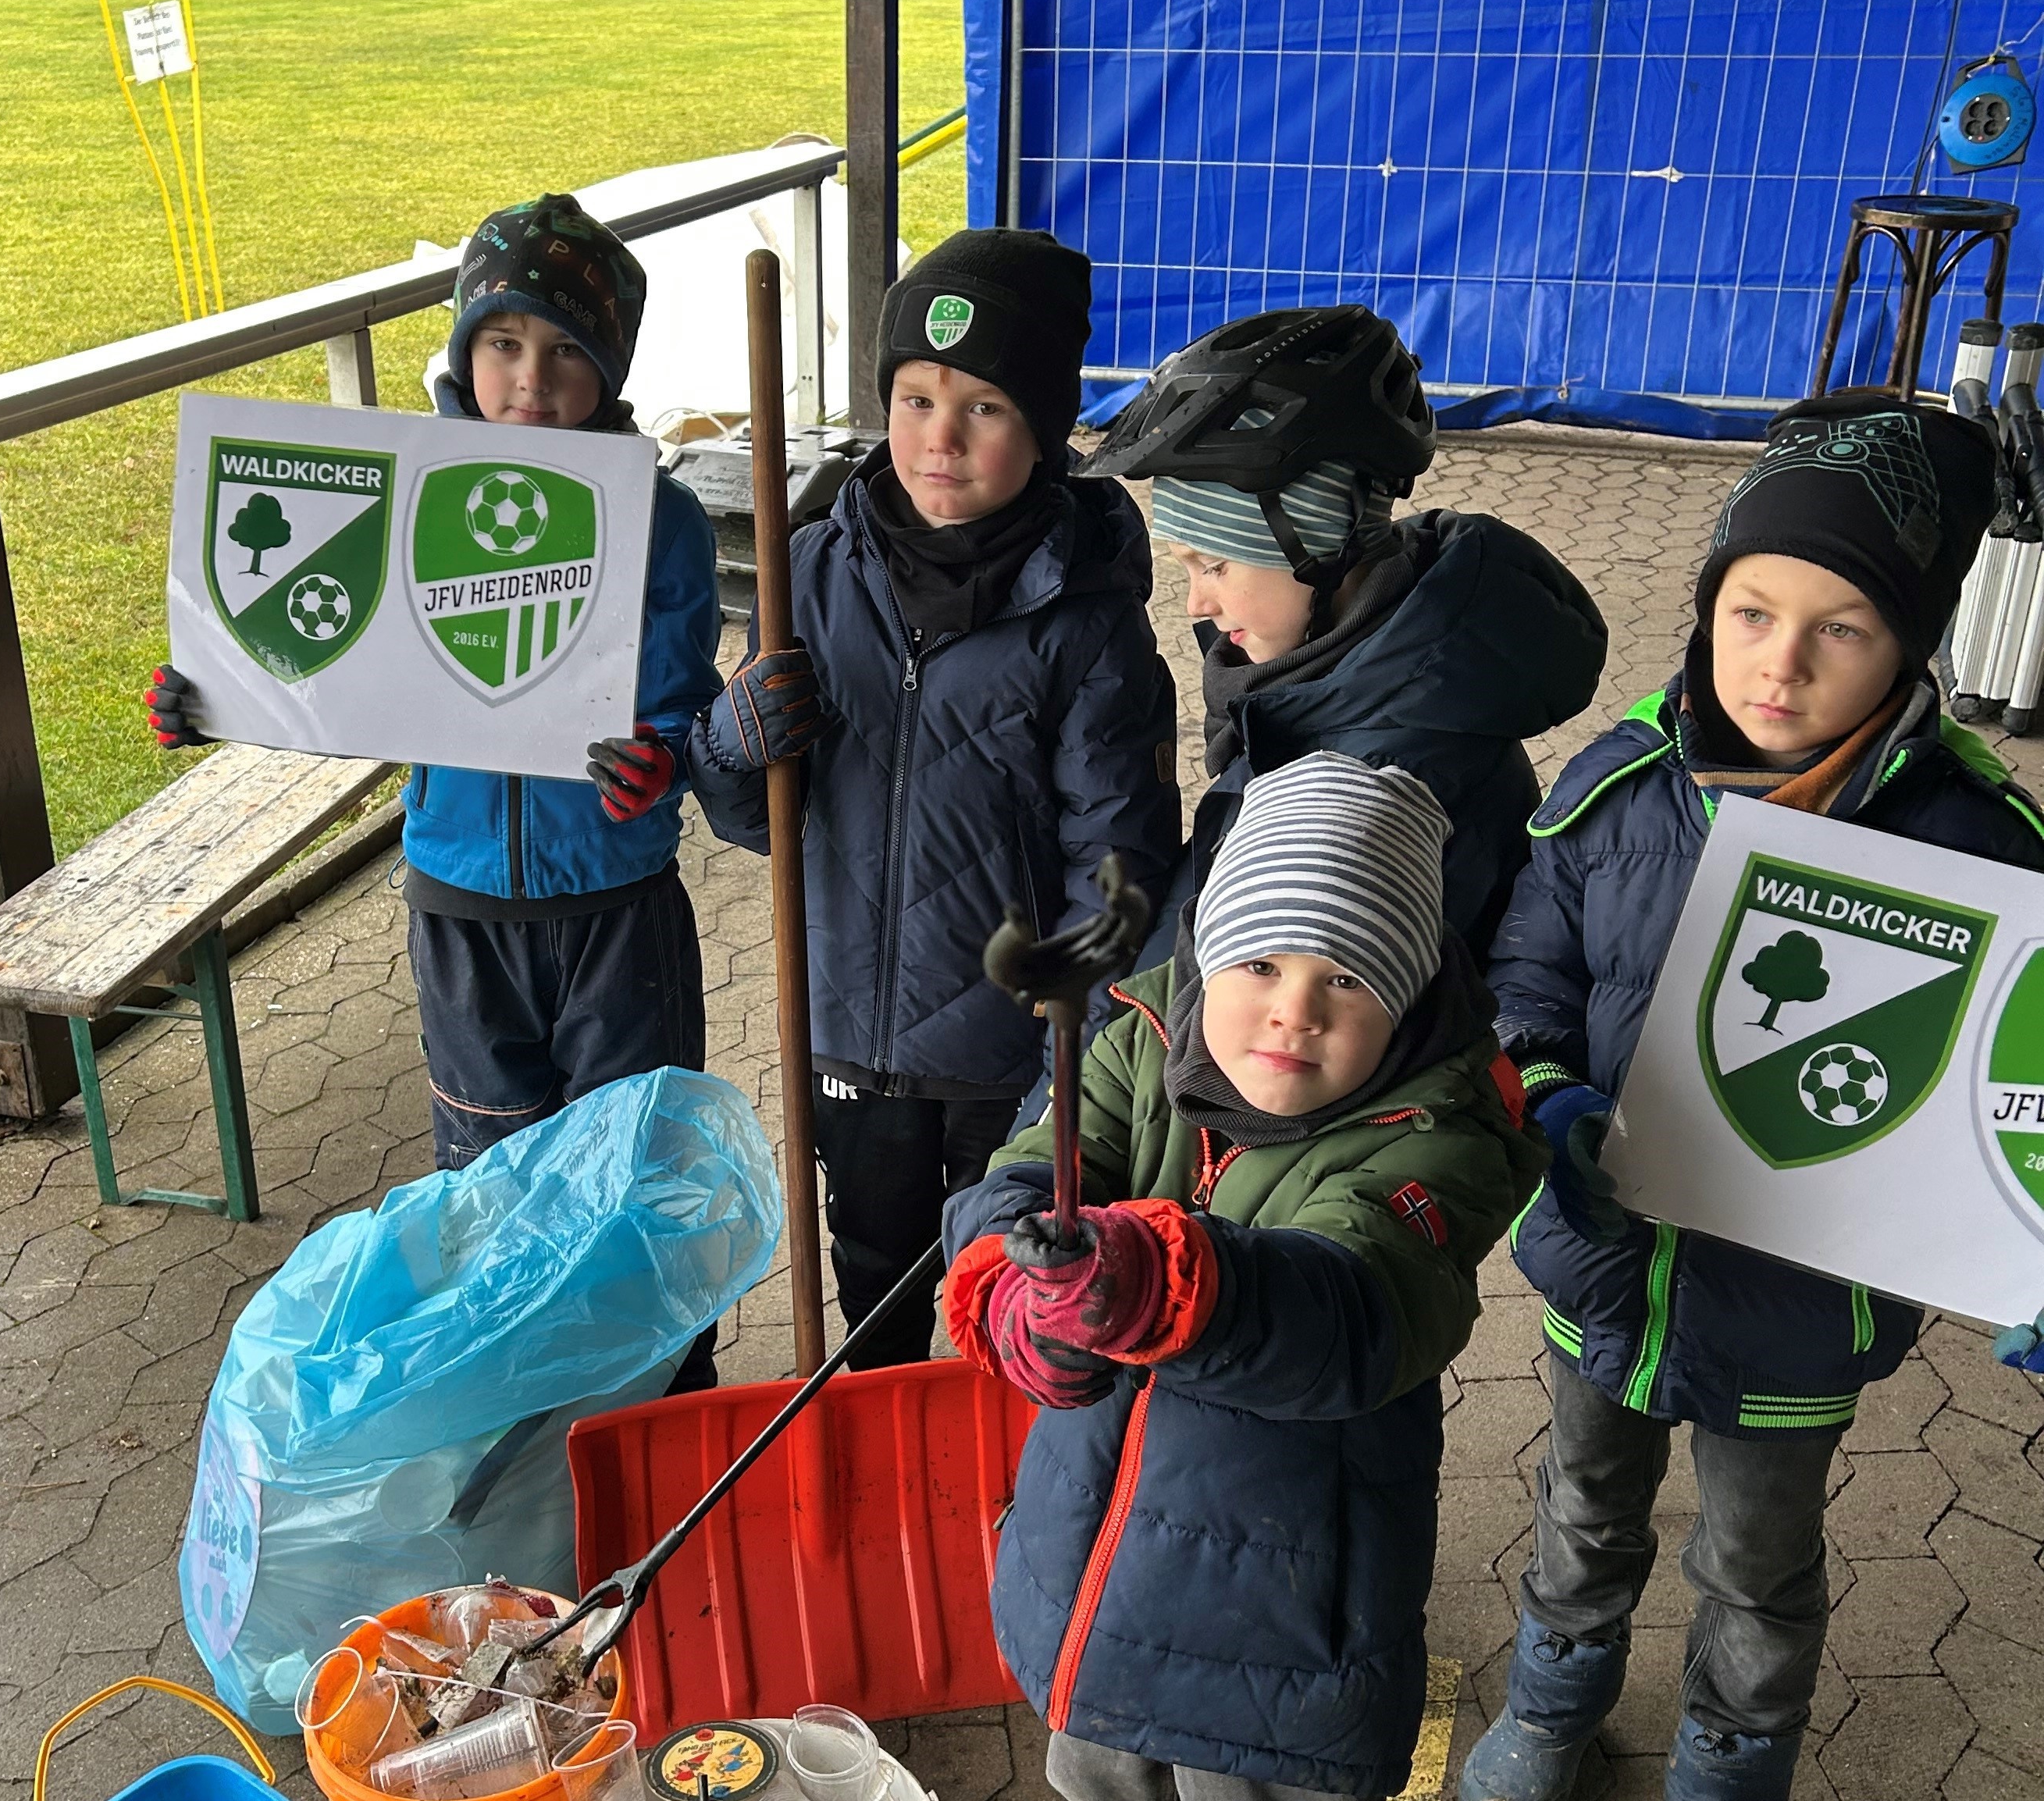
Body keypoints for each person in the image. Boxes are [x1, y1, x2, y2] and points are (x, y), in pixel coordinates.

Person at [940, 752, 1543, 1801]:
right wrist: (1012, 1274)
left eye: (1345, 979)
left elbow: (1349, 1312)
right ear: (1209, 953)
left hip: (1277, 1595)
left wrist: (1160, 1282)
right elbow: (1019, 1172)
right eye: (1264, 962)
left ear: (1402, 1001)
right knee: (1096, 1752)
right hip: (1091, 1542)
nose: (1291, 1011)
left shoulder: (1433, 1142)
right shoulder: (1136, 1031)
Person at [1468, 388, 2044, 1801]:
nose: (1779, 663)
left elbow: (2026, 1085)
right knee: (1581, 1499)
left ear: (1914, 646)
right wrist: (1550, 1093)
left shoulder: (1980, 849)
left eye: (1840, 628)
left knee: (1757, 1559)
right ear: (1708, 600)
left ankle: (1725, 1793)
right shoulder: (1609, 787)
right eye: (1752, 609)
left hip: (1796, 1311)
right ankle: (1558, 1695)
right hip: (1607, 1269)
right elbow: (1528, 962)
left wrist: (2033, 1249)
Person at [148, 195, 724, 1352]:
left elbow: (677, 701)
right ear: (463, 348)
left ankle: (661, 1392)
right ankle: (510, 1411)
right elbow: (341, 658)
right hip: (461, 904)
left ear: (609, 372)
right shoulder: (399, 496)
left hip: (615, 907)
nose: (531, 377)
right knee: (491, 1182)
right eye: (503, 342)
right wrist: (215, 692)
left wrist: (657, 761)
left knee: (633, 1172)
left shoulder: (657, 520)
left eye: (568, 352)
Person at [684, 228, 1180, 1369]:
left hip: (1013, 1060)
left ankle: (1021, 1506)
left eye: (984, 407)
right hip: (849, 1037)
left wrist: (1082, 1051)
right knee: (875, 1297)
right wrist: (730, 737)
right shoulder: (807, 567)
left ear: (1046, 427)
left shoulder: (1085, 619)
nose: (939, 438)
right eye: (913, 399)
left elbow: (1118, 860)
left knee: (1019, 1318)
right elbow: (757, 817)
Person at [1086, 305, 1608, 959]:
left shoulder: (1388, 776)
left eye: (1215, 564)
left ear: (1319, 538)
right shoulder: (1333, 682)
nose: (1195, 603)